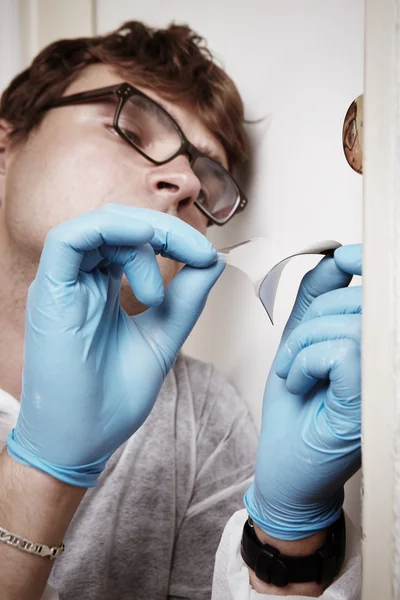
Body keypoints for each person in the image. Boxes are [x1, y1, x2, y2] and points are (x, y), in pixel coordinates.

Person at [0, 20, 362, 600]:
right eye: (132, 128)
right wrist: (43, 472)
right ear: (5, 146)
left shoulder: (203, 419)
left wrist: (287, 534)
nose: (187, 181)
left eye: (209, 178)